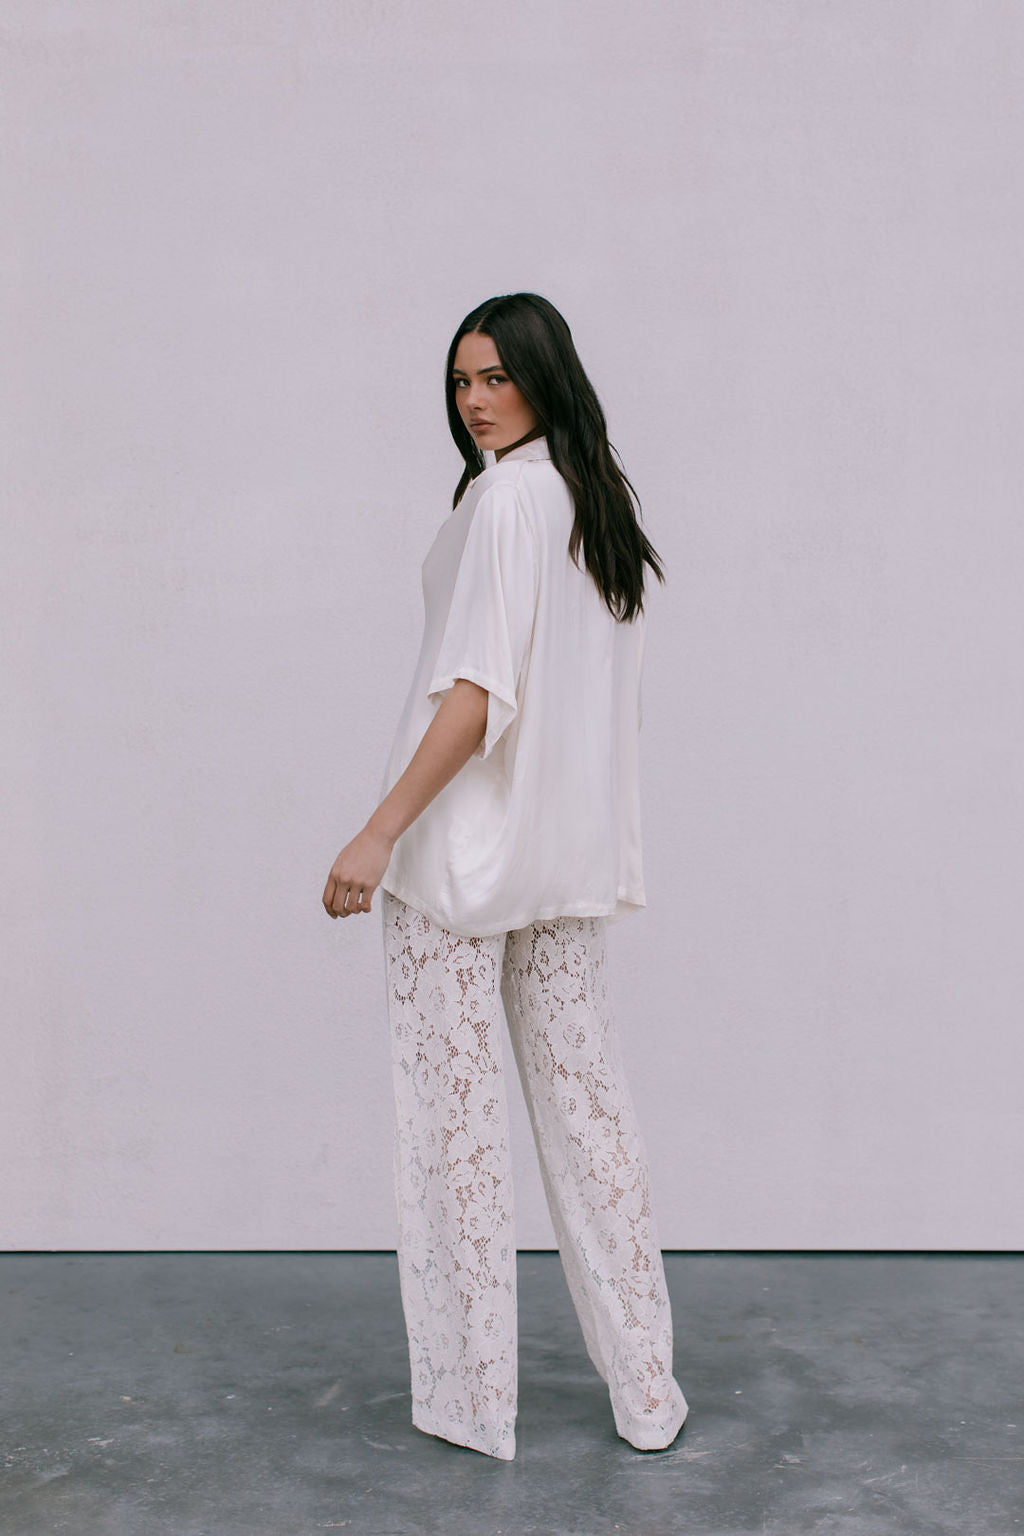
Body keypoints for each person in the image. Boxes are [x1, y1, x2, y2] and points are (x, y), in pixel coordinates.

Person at [321, 292, 688, 1461]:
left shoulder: (506, 500)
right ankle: (647, 1393)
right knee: (593, 1122)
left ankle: (476, 1404)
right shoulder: (599, 504)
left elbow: (475, 696)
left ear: (542, 376)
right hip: (565, 863)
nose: (476, 401)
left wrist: (377, 832)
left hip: (456, 867)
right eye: (462, 380)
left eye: (496, 378)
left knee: (455, 1129)